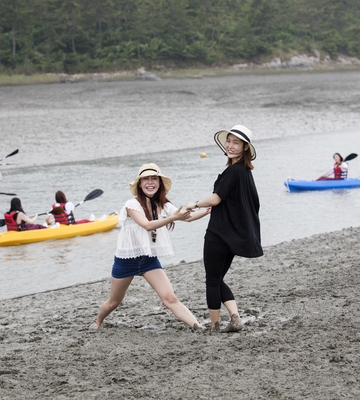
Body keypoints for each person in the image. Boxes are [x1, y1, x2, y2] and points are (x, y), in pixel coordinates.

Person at [91, 163, 209, 331]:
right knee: (114, 302)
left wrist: (207, 211)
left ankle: (198, 327)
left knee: (170, 298)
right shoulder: (131, 204)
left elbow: (187, 217)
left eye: (154, 178)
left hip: (149, 259)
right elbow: (147, 225)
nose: (150, 182)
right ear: (139, 184)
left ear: (160, 183)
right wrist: (173, 218)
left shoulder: (164, 204)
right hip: (126, 260)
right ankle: (97, 321)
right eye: (145, 179)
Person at [186, 125, 263, 333]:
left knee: (211, 281)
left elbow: (216, 198)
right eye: (229, 141)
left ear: (245, 147)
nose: (230, 145)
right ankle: (235, 317)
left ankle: (214, 326)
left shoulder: (233, 171)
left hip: (218, 235)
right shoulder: (245, 173)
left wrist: (195, 203)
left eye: (236, 143)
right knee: (217, 279)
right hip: (232, 238)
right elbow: (248, 204)